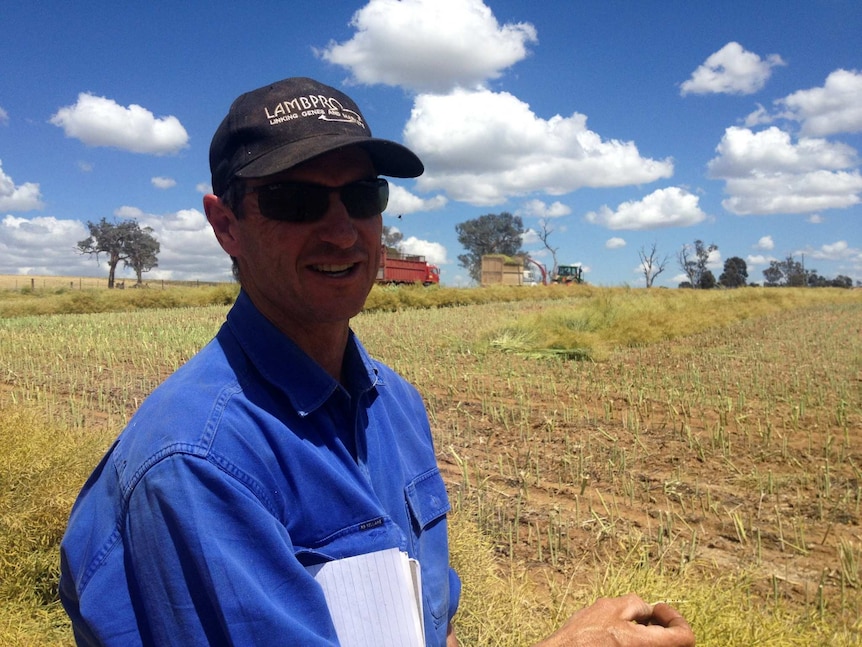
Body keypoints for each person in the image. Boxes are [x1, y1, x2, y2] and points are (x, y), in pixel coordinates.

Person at [59, 77, 694, 647]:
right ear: (226, 225)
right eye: (294, 201)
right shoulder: (200, 462)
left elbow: (422, 626)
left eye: (362, 195)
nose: (341, 232)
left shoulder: (394, 403)